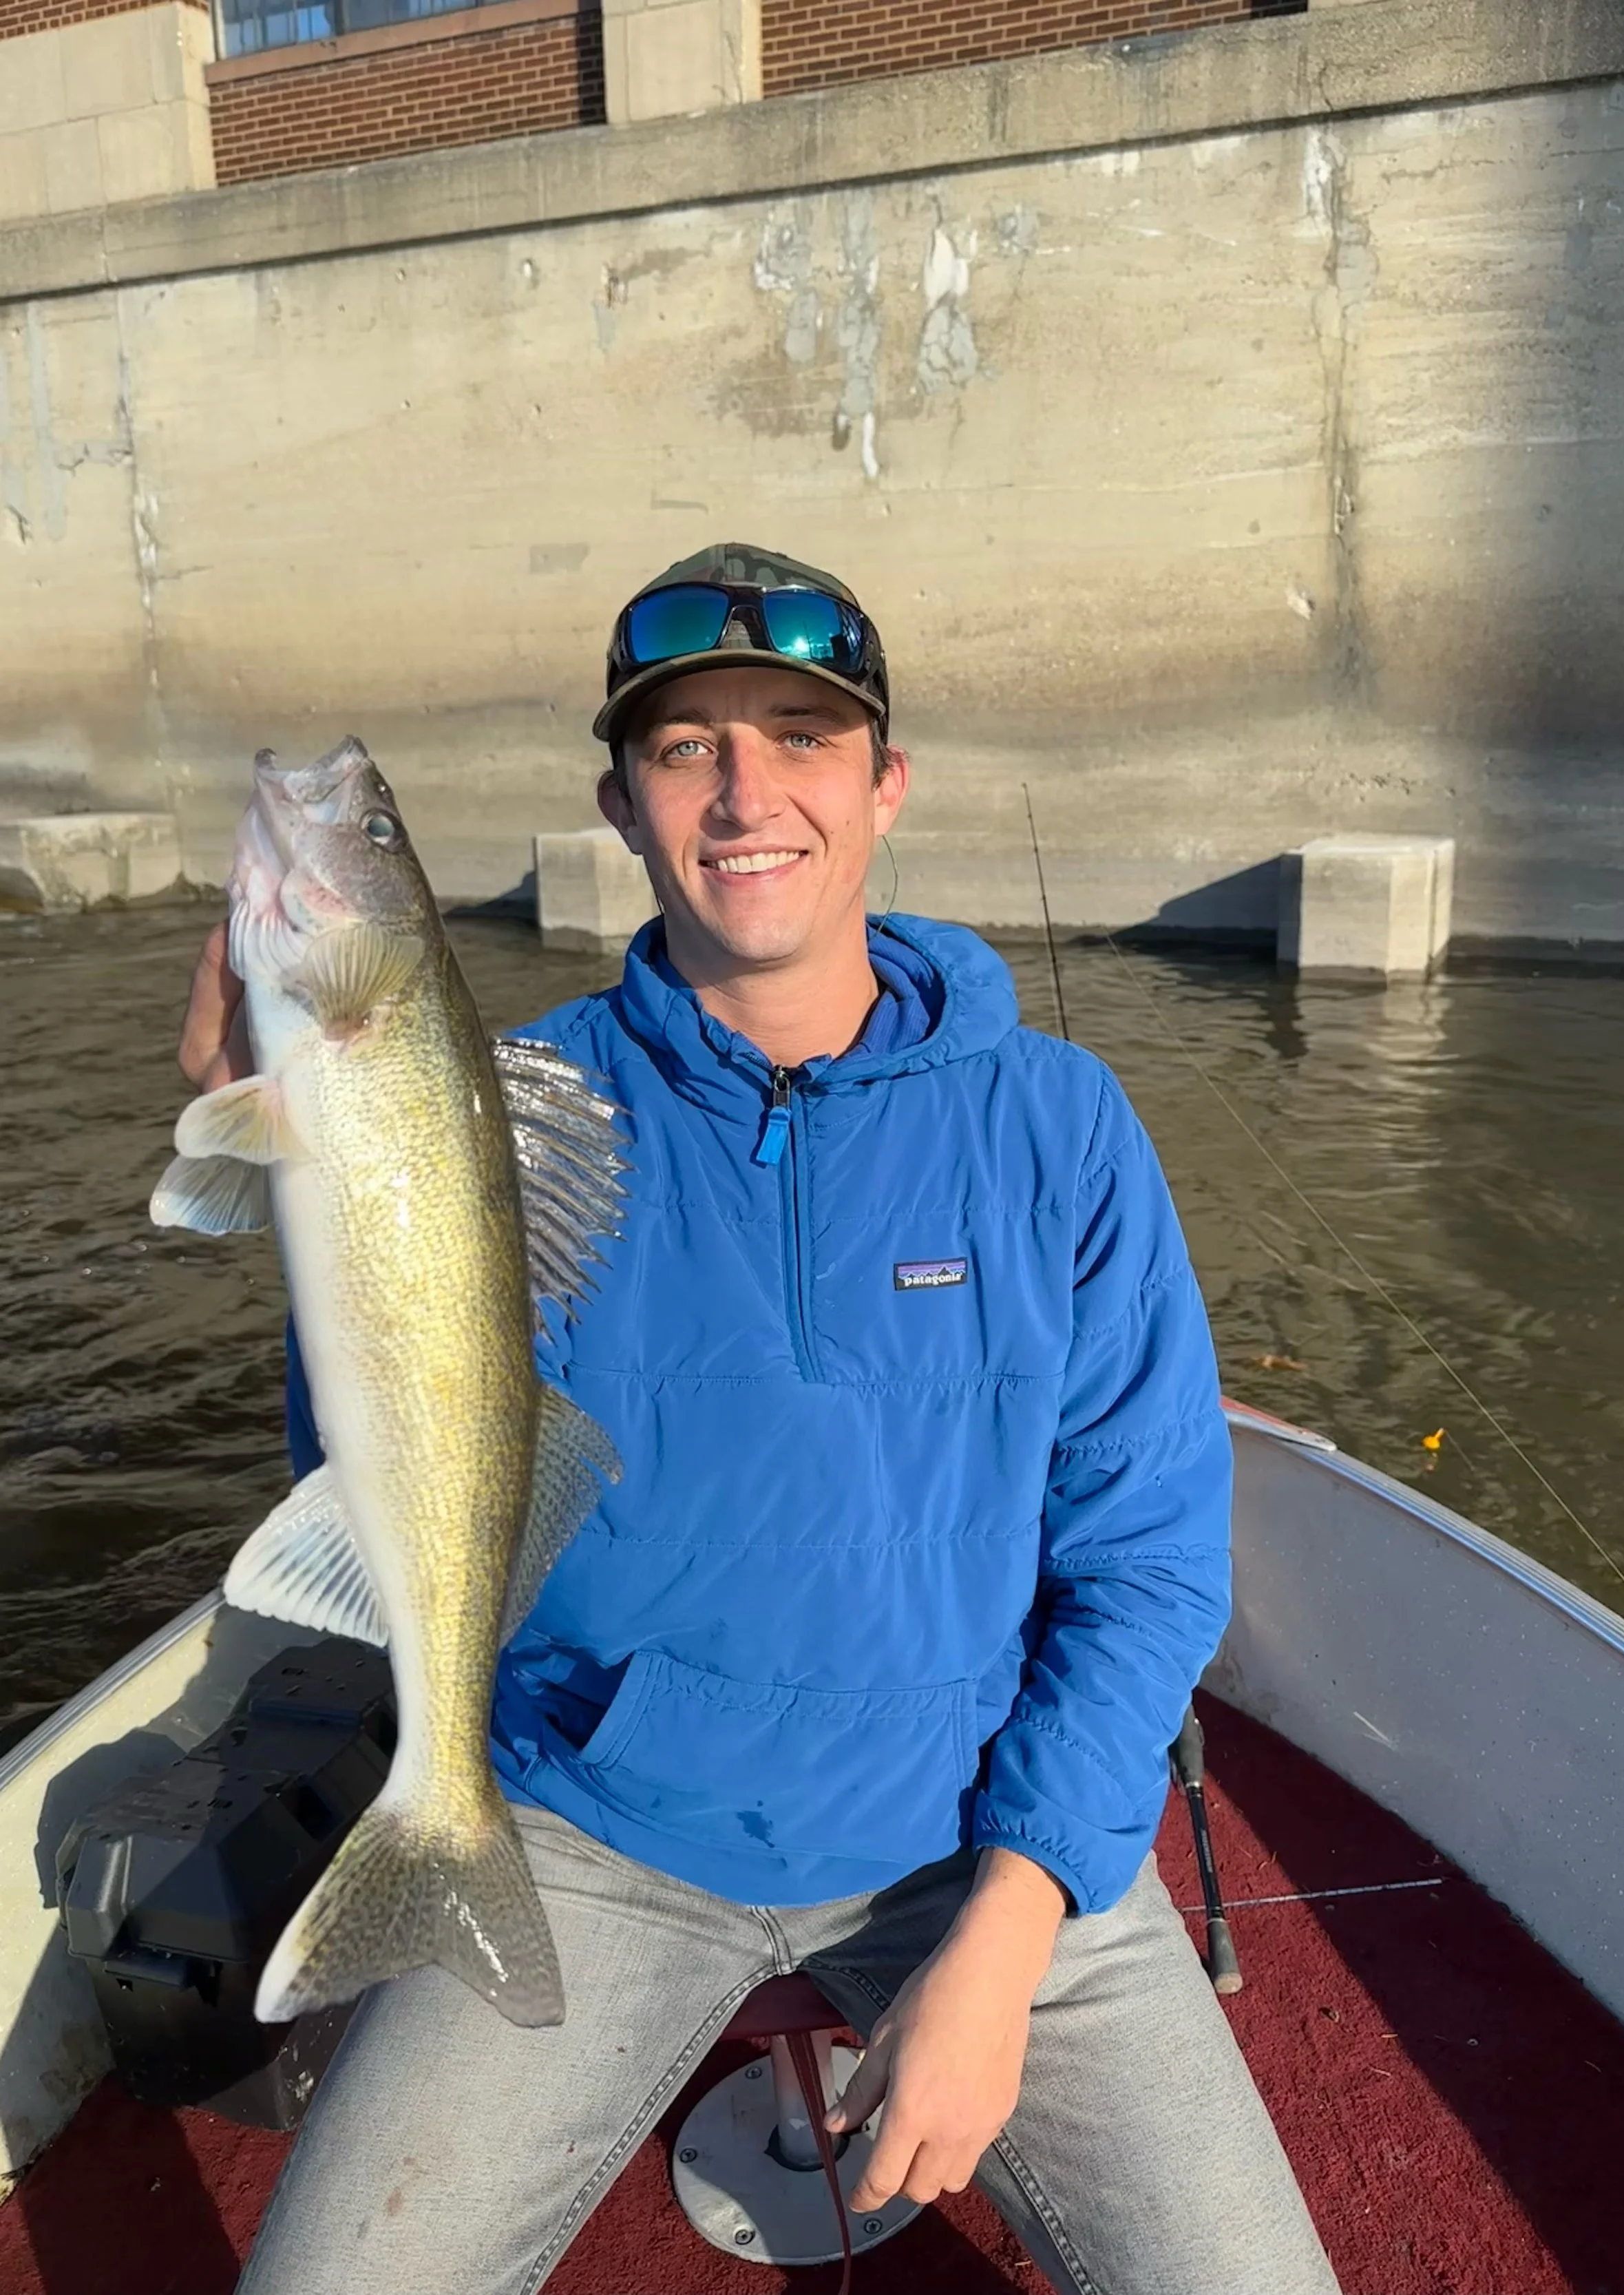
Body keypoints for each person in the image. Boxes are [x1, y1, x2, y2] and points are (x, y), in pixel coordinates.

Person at [181, 544, 1338, 2295]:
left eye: (800, 737)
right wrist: (317, 1185)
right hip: (597, 1815)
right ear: (623, 807)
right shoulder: (517, 1108)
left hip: (980, 1826)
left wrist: (1006, 1939)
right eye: (683, 749)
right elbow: (385, 1455)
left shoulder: (1062, 1123)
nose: (744, 793)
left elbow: (1150, 1566)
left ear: (884, 788)